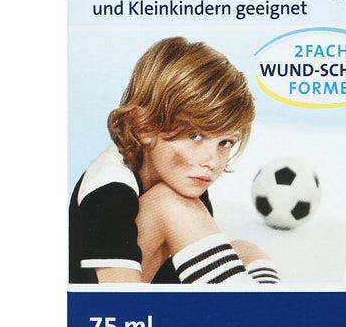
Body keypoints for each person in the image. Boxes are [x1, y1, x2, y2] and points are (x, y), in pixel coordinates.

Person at [69, 36, 279, 285]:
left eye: (225, 143)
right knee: (167, 203)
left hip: (149, 286)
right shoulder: (110, 188)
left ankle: (266, 303)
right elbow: (115, 293)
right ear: (144, 127)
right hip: (110, 297)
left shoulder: (184, 178)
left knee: (244, 250)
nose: (212, 161)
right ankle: (252, 307)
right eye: (195, 136)